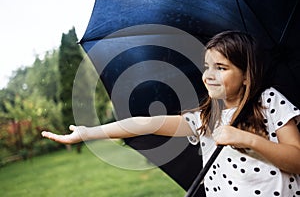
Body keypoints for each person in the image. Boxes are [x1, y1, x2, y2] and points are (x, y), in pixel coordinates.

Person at [42, 31, 300, 196]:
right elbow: (146, 123)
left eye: (221, 68)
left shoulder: (268, 101)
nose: (209, 75)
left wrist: (248, 140)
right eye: (207, 66)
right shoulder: (206, 118)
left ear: (246, 75)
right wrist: (89, 132)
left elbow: (297, 160)